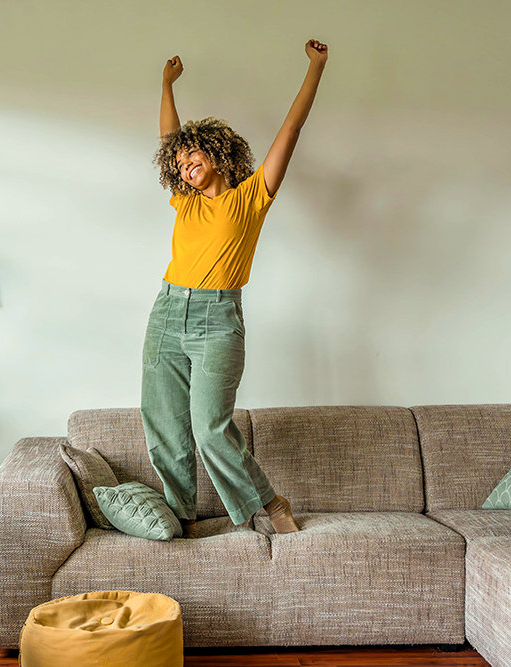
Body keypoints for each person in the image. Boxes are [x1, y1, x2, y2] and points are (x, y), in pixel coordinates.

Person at [141, 39, 328, 538]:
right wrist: (165, 85)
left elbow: (291, 129)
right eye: (177, 163)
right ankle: (178, 520)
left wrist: (316, 68)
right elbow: (167, 136)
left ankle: (267, 502)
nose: (183, 164)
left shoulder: (252, 197)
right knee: (165, 427)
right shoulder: (187, 203)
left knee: (209, 428)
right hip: (166, 313)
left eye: (191, 155)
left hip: (217, 321)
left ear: (218, 153)